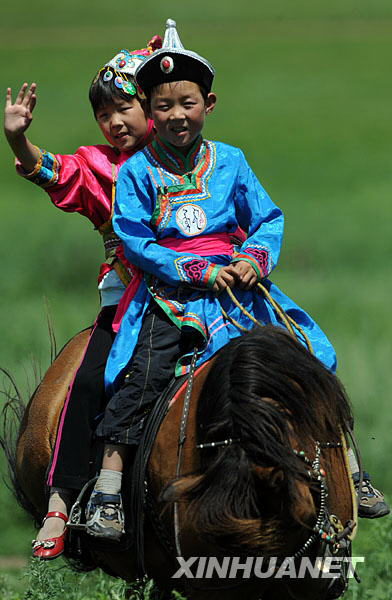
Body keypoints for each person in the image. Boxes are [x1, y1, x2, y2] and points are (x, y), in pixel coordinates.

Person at [82, 19, 388, 542]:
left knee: (311, 355)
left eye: (188, 103)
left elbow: (268, 217)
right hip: (171, 294)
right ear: (151, 113)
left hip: (240, 292)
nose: (177, 115)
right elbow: (133, 239)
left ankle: (350, 471)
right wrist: (195, 269)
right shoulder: (135, 171)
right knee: (140, 375)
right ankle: (109, 491)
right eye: (163, 106)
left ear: (210, 103)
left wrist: (253, 258)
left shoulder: (232, 161)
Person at [3, 34, 162, 560]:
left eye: (124, 107)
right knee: (90, 381)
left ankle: (337, 482)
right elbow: (56, 172)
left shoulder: (195, 158)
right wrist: (19, 141)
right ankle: (60, 501)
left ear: (154, 106)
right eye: (103, 114)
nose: (114, 122)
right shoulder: (100, 166)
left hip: (206, 293)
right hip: (129, 301)